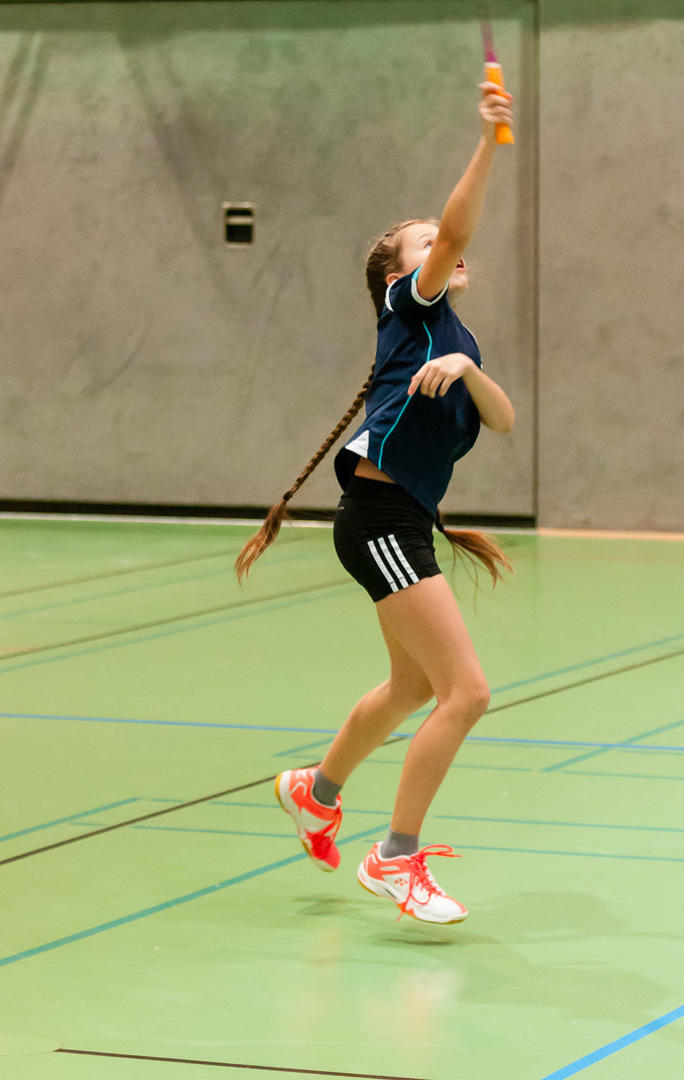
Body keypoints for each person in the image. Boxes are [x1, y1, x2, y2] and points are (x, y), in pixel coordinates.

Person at [236, 78, 516, 924]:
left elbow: (502, 418)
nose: (445, 245)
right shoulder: (408, 306)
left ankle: (315, 792)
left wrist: (467, 370)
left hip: (400, 523)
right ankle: (395, 857)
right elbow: (458, 228)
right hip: (379, 519)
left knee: (410, 688)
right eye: (425, 243)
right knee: (466, 693)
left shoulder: (454, 339)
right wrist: (487, 142)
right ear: (402, 274)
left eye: (438, 239)